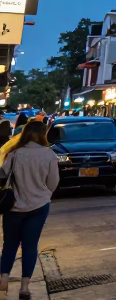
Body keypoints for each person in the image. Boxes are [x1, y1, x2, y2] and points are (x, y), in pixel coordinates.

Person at [0, 120, 59, 299]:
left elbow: (2, 175)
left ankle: (3, 278)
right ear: (43, 134)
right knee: (30, 246)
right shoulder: (49, 154)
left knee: (9, 245)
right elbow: (53, 182)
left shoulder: (14, 153)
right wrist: (43, 194)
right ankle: (24, 287)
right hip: (38, 207)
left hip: (13, 207)